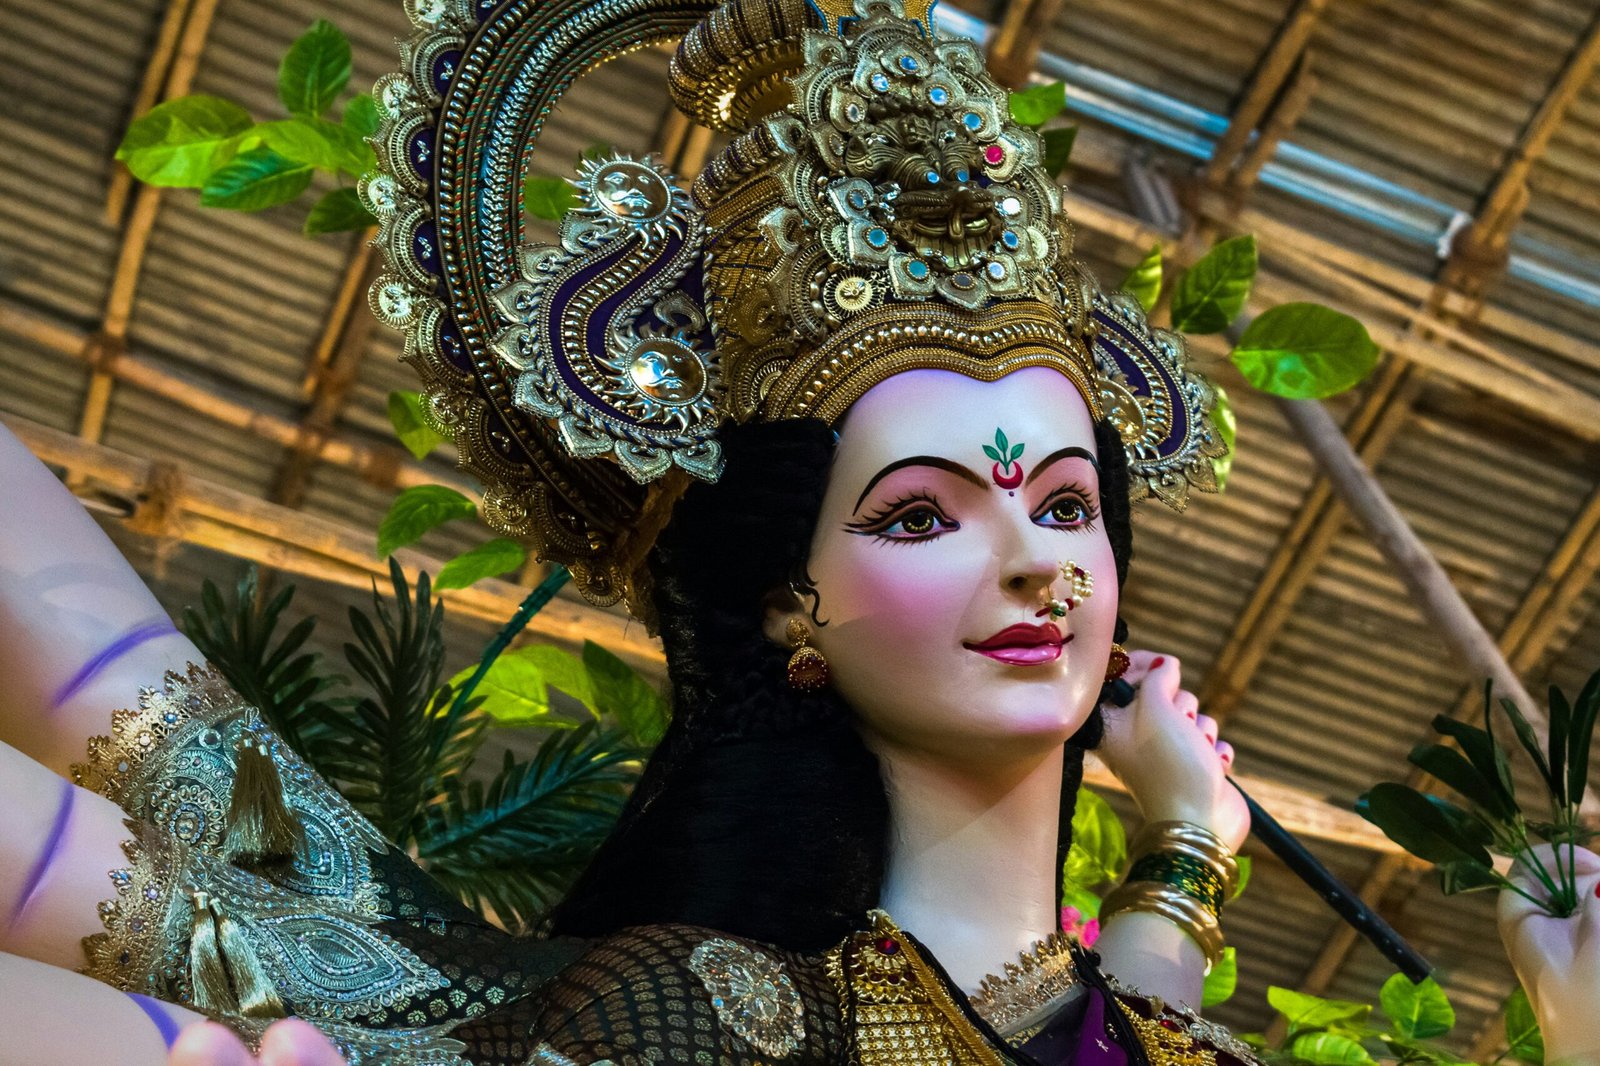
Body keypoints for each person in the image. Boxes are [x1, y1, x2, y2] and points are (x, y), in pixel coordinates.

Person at [0, 0, 1596, 1062]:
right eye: (922, 515)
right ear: (789, 610)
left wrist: (1196, 848)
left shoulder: (1150, 1034)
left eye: (1064, 501)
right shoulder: (714, 1015)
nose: (1041, 559)